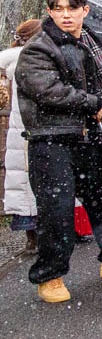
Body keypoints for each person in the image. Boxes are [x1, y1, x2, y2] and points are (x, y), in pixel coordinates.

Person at [15, 0, 102, 303]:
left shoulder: (85, 45)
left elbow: (101, 87)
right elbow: (47, 90)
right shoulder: (38, 48)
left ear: (84, 11)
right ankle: (51, 276)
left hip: (85, 138)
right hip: (50, 142)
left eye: (72, 9)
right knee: (56, 211)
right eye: (58, 9)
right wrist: (90, 103)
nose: (66, 15)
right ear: (49, 12)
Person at [0, 19, 42, 253]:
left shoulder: (7, 60)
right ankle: (43, 238)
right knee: (40, 184)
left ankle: (31, 238)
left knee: (21, 183)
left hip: (16, 130)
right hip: (35, 127)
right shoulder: (34, 58)